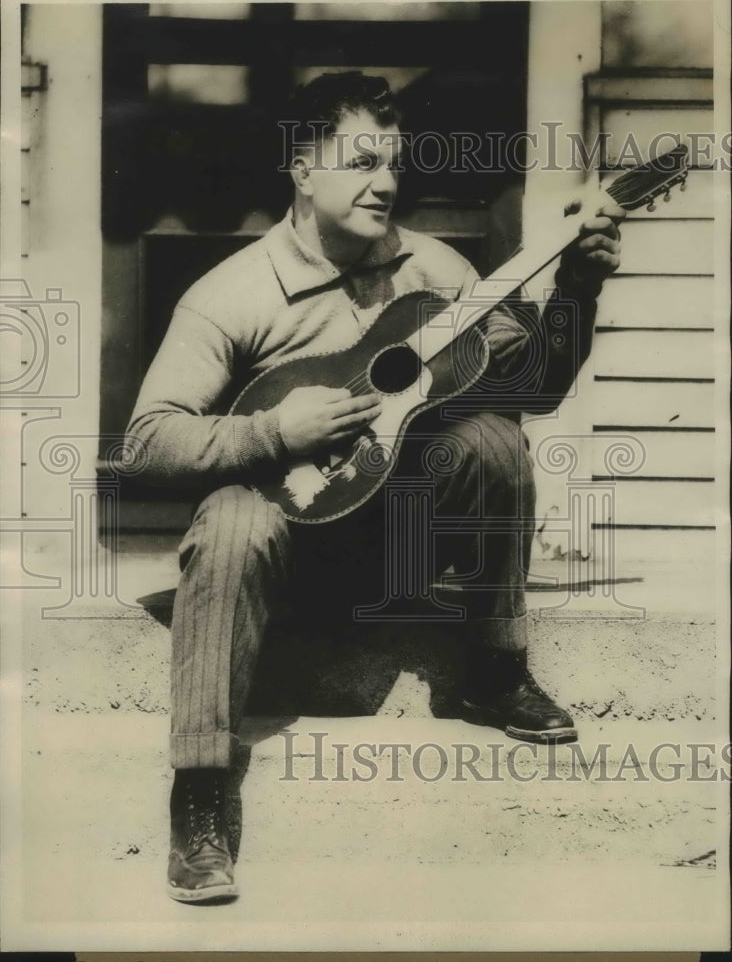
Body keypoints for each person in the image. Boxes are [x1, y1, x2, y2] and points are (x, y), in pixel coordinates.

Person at [126, 72, 623, 903]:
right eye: (360, 161)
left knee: (494, 439)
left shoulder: (435, 270)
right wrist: (271, 433)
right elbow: (146, 443)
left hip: (394, 549)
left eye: (392, 162)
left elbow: (535, 388)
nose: (385, 182)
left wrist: (578, 287)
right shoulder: (232, 295)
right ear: (302, 167)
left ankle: (495, 672)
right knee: (233, 521)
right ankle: (201, 794)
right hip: (279, 556)